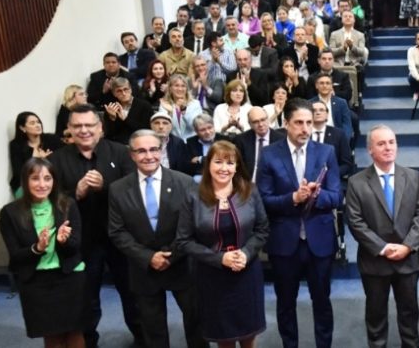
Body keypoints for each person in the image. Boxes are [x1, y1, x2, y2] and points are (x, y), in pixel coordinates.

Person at [48, 104, 141, 347]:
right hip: (82, 243)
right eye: (77, 126)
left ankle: (143, 339)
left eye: (89, 125)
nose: (84, 130)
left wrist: (106, 187)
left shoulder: (121, 153)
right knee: (86, 299)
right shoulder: (56, 160)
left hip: (121, 240)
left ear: (100, 127)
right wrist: (74, 194)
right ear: (69, 128)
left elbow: (135, 195)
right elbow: (50, 203)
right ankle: (88, 342)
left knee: (133, 294)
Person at [107, 130, 206, 348]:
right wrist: (149, 257)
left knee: (196, 323)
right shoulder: (118, 189)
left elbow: (193, 225)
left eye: (153, 149)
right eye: (141, 151)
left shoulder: (185, 182)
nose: (148, 156)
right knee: (153, 329)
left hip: (182, 264)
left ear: (161, 151)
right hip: (144, 268)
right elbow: (117, 231)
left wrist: (171, 255)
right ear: (131, 155)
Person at [256, 99, 342, 348]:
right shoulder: (269, 154)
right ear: (286, 124)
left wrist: (317, 195)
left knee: (322, 302)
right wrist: (293, 198)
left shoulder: (326, 152)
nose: (305, 128)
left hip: (320, 240)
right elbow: (263, 200)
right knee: (285, 303)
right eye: (299, 123)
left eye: (309, 122)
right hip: (284, 242)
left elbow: (337, 196)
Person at [176, 141, 269, 347]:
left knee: (248, 334)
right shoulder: (193, 196)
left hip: (247, 272)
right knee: (223, 336)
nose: (224, 168)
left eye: (230, 163)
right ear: (208, 164)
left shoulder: (250, 191)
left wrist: (246, 253)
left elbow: (262, 230)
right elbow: (184, 241)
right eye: (218, 162)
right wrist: (220, 259)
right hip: (212, 276)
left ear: (237, 167)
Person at [345, 125, 419, 347]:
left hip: (407, 259)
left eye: (391, 142)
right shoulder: (357, 182)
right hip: (375, 261)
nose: (387, 147)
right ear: (370, 150)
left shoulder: (412, 176)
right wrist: (383, 248)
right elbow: (355, 221)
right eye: (381, 143)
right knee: (376, 315)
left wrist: (408, 246)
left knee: (409, 313)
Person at [0, 157, 85, 347]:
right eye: (35, 178)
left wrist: (63, 242)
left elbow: (76, 246)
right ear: (25, 181)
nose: (42, 184)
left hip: (70, 277)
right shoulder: (10, 212)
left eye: (47, 178)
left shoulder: (67, 205)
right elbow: (15, 256)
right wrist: (37, 248)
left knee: (75, 332)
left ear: (54, 181)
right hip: (36, 282)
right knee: (52, 335)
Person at [9, 112, 63, 194]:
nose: (38, 125)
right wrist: (34, 159)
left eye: (38, 122)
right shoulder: (16, 145)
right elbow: (18, 172)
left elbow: (63, 161)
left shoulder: (52, 140)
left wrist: (46, 160)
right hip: (25, 184)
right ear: (22, 128)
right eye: (32, 123)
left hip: (51, 180)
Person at [102, 77, 153, 144]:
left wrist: (126, 119)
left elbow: (146, 130)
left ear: (131, 90)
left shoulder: (145, 106)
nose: (123, 93)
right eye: (119, 91)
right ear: (114, 94)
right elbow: (109, 134)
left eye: (126, 89)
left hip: (139, 143)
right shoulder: (111, 108)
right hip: (117, 145)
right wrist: (112, 118)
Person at [158, 74, 203, 141]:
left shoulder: (195, 104)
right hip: (173, 143)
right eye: (176, 85)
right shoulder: (165, 105)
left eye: (183, 86)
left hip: (192, 142)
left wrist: (183, 110)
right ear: (170, 88)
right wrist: (170, 113)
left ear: (186, 89)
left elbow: (195, 127)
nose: (180, 89)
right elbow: (163, 129)